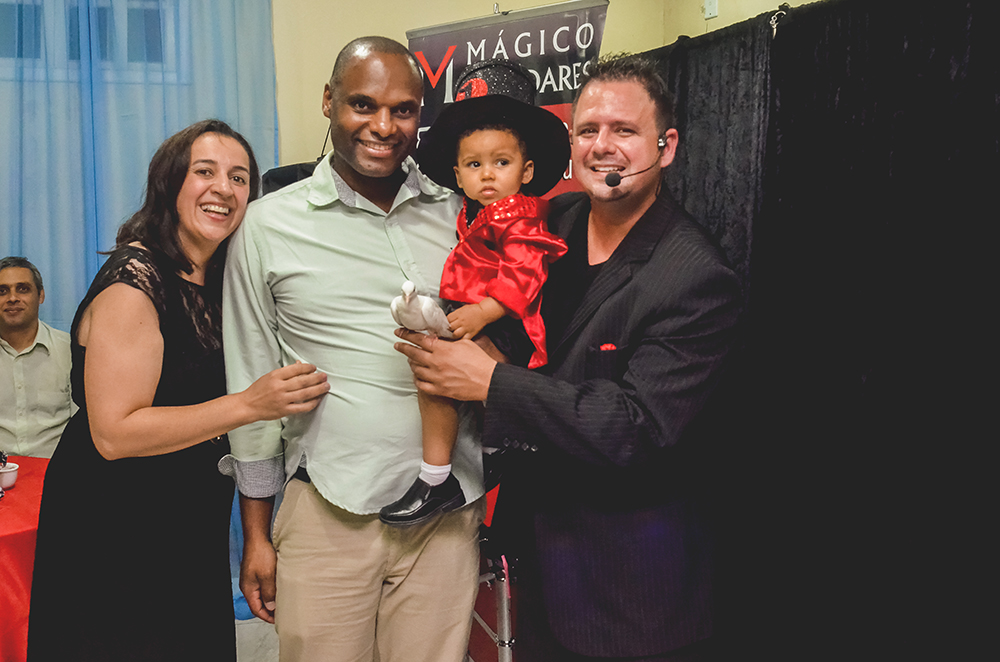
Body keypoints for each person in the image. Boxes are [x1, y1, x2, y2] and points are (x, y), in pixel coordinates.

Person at [395, 54, 742, 661]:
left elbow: (636, 427)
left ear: (667, 145)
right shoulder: (553, 218)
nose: (603, 147)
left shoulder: (695, 276)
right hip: (540, 567)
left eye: (625, 131)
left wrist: (489, 382)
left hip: (632, 593)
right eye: (588, 131)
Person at [222, 37, 484, 662]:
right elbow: (253, 383)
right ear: (328, 102)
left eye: (403, 109)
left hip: (447, 516)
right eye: (363, 105)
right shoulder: (268, 224)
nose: (383, 126)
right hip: (327, 509)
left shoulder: (463, 214)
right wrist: (255, 535)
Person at [27, 120, 329, 662]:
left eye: (239, 178)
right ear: (170, 184)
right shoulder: (135, 281)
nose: (224, 188)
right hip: (113, 523)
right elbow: (114, 433)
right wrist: (248, 404)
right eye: (205, 172)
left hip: (186, 516)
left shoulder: (218, 280)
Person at [379, 59, 568, 526]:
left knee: (444, 373)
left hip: (509, 324)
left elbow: (526, 274)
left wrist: (484, 310)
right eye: (474, 165)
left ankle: (455, 465)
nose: (487, 175)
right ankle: (441, 471)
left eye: (500, 163)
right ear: (458, 175)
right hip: (476, 313)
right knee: (433, 372)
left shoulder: (521, 216)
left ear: (526, 171)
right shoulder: (469, 213)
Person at [0, 257, 75, 458]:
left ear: (40, 295)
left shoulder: (69, 351)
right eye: (2, 291)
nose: (12, 298)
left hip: (57, 475)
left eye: (22, 289)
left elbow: (85, 426)